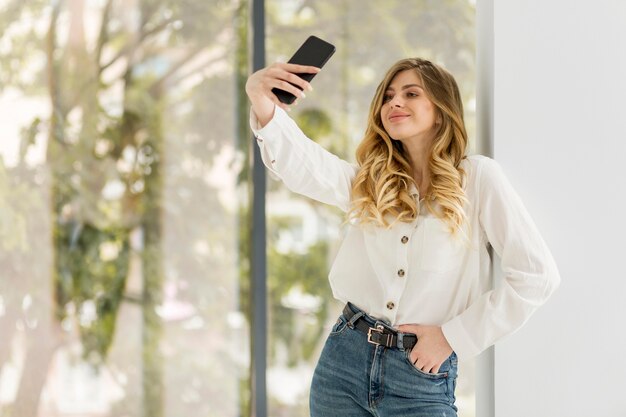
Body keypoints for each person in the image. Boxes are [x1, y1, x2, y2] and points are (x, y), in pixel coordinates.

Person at [245, 57, 560, 417]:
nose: (394, 103)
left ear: (441, 111)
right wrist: (262, 100)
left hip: (419, 374)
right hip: (343, 363)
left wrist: (453, 337)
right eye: (388, 96)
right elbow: (308, 167)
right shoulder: (373, 182)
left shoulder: (477, 179)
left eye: (411, 94)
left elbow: (536, 275)